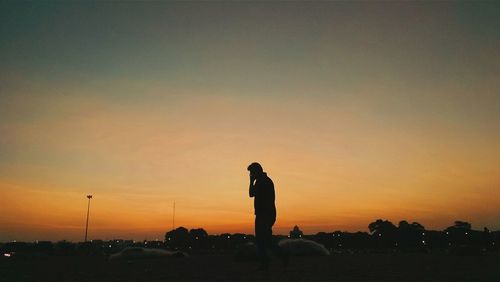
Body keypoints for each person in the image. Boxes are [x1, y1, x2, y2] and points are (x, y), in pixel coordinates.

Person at [247, 162, 288, 271]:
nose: (251, 175)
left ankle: (275, 259)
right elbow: (251, 194)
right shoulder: (261, 181)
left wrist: (252, 182)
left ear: (256, 171)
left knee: (263, 240)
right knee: (264, 239)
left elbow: (253, 194)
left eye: (251, 173)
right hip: (263, 214)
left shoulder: (264, 182)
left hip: (265, 214)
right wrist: (252, 182)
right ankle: (274, 259)